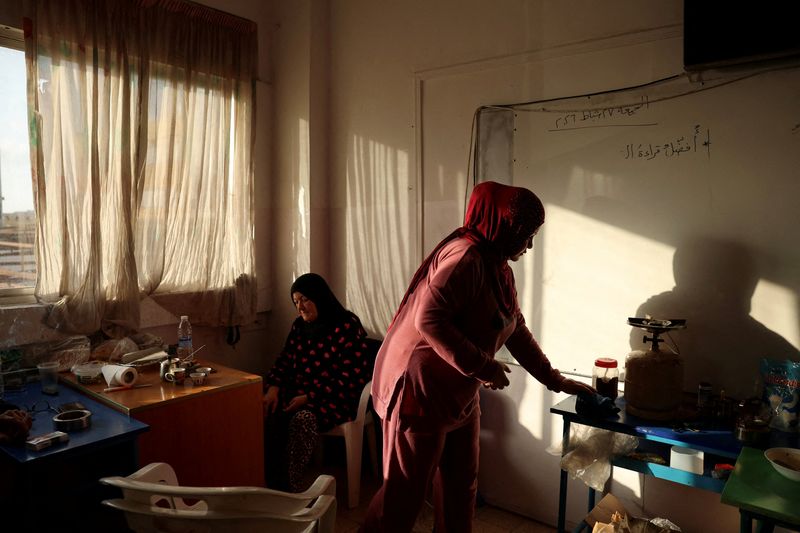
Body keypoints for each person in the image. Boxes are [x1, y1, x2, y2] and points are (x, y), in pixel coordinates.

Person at [361, 181, 596, 532]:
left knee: (461, 487)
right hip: (418, 391)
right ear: (500, 224)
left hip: (458, 391)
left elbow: (514, 327)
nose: (530, 245)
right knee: (404, 496)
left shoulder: (498, 266)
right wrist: (483, 365)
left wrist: (555, 380)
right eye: (525, 234)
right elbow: (429, 318)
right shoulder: (464, 258)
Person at [262, 273, 375, 492]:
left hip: (338, 396)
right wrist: (273, 388)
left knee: (302, 419)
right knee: (268, 408)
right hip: (300, 393)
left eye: (305, 299)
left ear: (320, 297)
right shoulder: (299, 327)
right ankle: (269, 481)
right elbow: (284, 359)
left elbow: (352, 376)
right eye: (296, 302)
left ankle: (290, 487)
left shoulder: (346, 325)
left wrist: (309, 397)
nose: (300, 307)